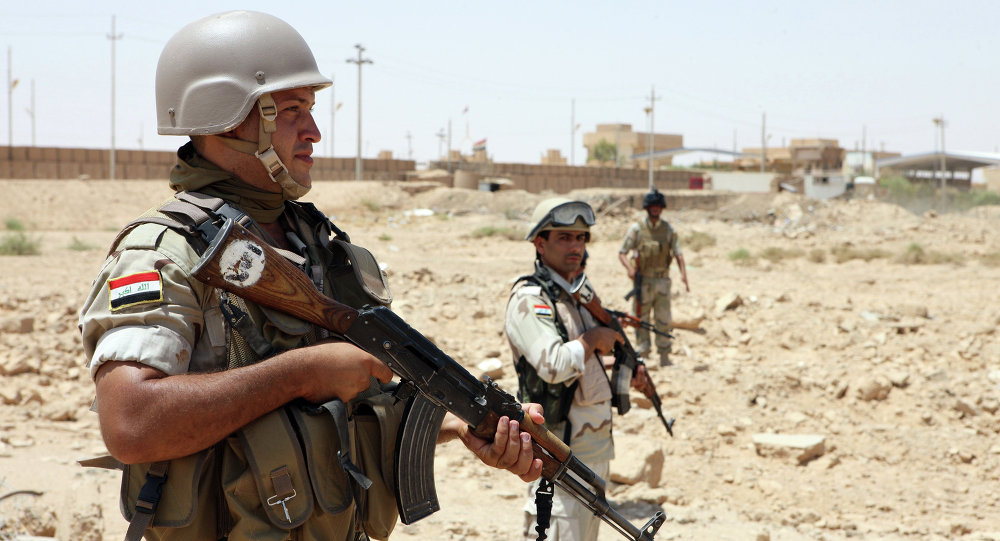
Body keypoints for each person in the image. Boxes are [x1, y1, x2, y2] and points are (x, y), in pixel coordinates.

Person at [78, 11, 542, 541]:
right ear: (229, 119)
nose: (314, 132)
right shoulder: (164, 251)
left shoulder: (312, 241)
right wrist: (302, 372)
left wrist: (458, 422)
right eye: (292, 110)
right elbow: (131, 424)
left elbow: (350, 399)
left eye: (310, 110)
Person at [504, 198, 648, 541]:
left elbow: (583, 364)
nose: (575, 246)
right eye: (564, 238)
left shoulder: (576, 297)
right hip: (559, 453)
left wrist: (622, 366)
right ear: (540, 244)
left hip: (593, 452)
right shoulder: (531, 299)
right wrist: (592, 340)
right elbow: (553, 365)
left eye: (581, 238)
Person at [618, 188, 690, 366]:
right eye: (652, 206)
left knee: (663, 319)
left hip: (662, 281)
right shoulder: (637, 229)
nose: (656, 209)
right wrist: (630, 269)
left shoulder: (668, 229)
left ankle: (664, 355)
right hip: (643, 281)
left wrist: (684, 275)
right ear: (647, 208)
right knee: (641, 318)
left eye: (658, 206)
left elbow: (678, 253)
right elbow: (622, 253)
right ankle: (643, 354)